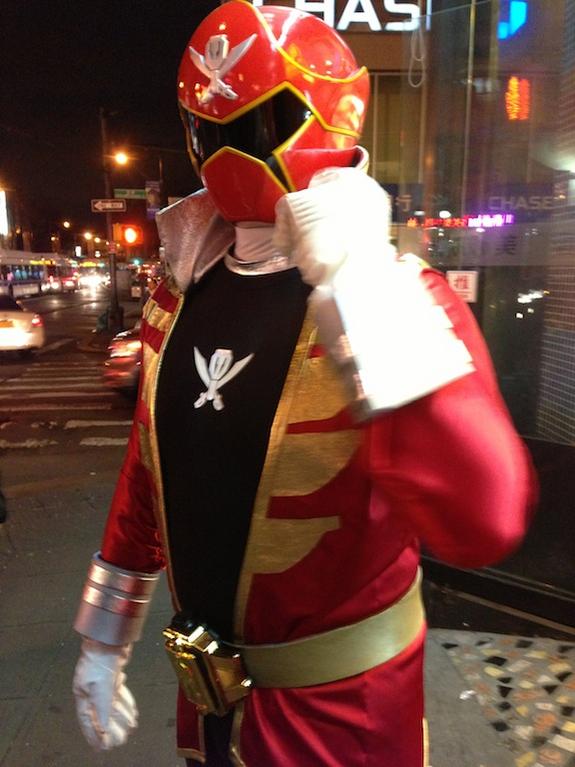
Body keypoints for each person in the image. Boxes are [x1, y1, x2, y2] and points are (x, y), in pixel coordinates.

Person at [72, 3, 536, 766]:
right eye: (210, 130)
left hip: (343, 721)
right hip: (209, 700)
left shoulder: (401, 299)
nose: (230, 152)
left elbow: (482, 519)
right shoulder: (179, 292)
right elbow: (148, 476)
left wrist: (361, 289)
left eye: (259, 125)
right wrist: (104, 634)